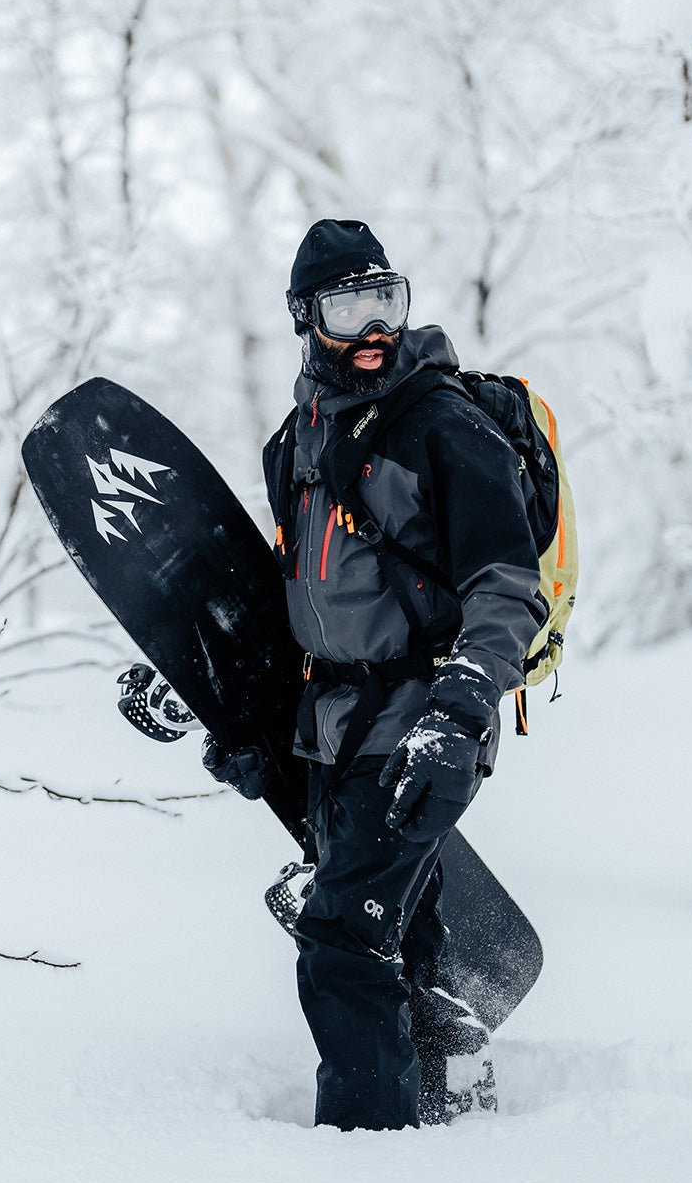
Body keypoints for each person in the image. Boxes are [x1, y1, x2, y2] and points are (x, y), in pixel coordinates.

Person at [203, 218, 548, 1131]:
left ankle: (368, 1159)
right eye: (348, 306)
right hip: (335, 717)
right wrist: (214, 699)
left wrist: (464, 708)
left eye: (385, 300)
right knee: (400, 930)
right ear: (305, 318)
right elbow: (300, 598)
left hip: (427, 710)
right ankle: (449, 1086)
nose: (373, 329)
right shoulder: (297, 444)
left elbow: (508, 586)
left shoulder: (443, 425)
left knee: (340, 938)